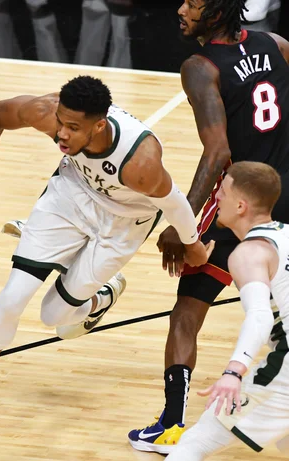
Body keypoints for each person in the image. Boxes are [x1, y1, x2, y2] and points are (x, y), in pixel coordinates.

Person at [0, 75, 212, 448]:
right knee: (12, 298)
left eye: (72, 128)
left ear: (99, 125)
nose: (60, 134)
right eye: (60, 121)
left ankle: (99, 297)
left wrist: (193, 245)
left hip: (123, 224)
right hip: (71, 196)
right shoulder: (50, 114)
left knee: (54, 317)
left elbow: (173, 202)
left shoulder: (140, 162)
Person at [128, 0, 289, 453]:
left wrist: (183, 223)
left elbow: (217, 152)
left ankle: (172, 425)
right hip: (285, 192)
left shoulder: (199, 66)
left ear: (216, 11)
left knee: (188, 310)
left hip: (244, 204)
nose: (180, 9)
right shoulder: (275, 44)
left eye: (193, 4)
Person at [166, 161, 289, 460]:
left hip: (284, 373)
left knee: (193, 444)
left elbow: (259, 316)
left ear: (241, 205)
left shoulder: (248, 253)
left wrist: (234, 372)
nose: (217, 196)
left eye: (223, 191)